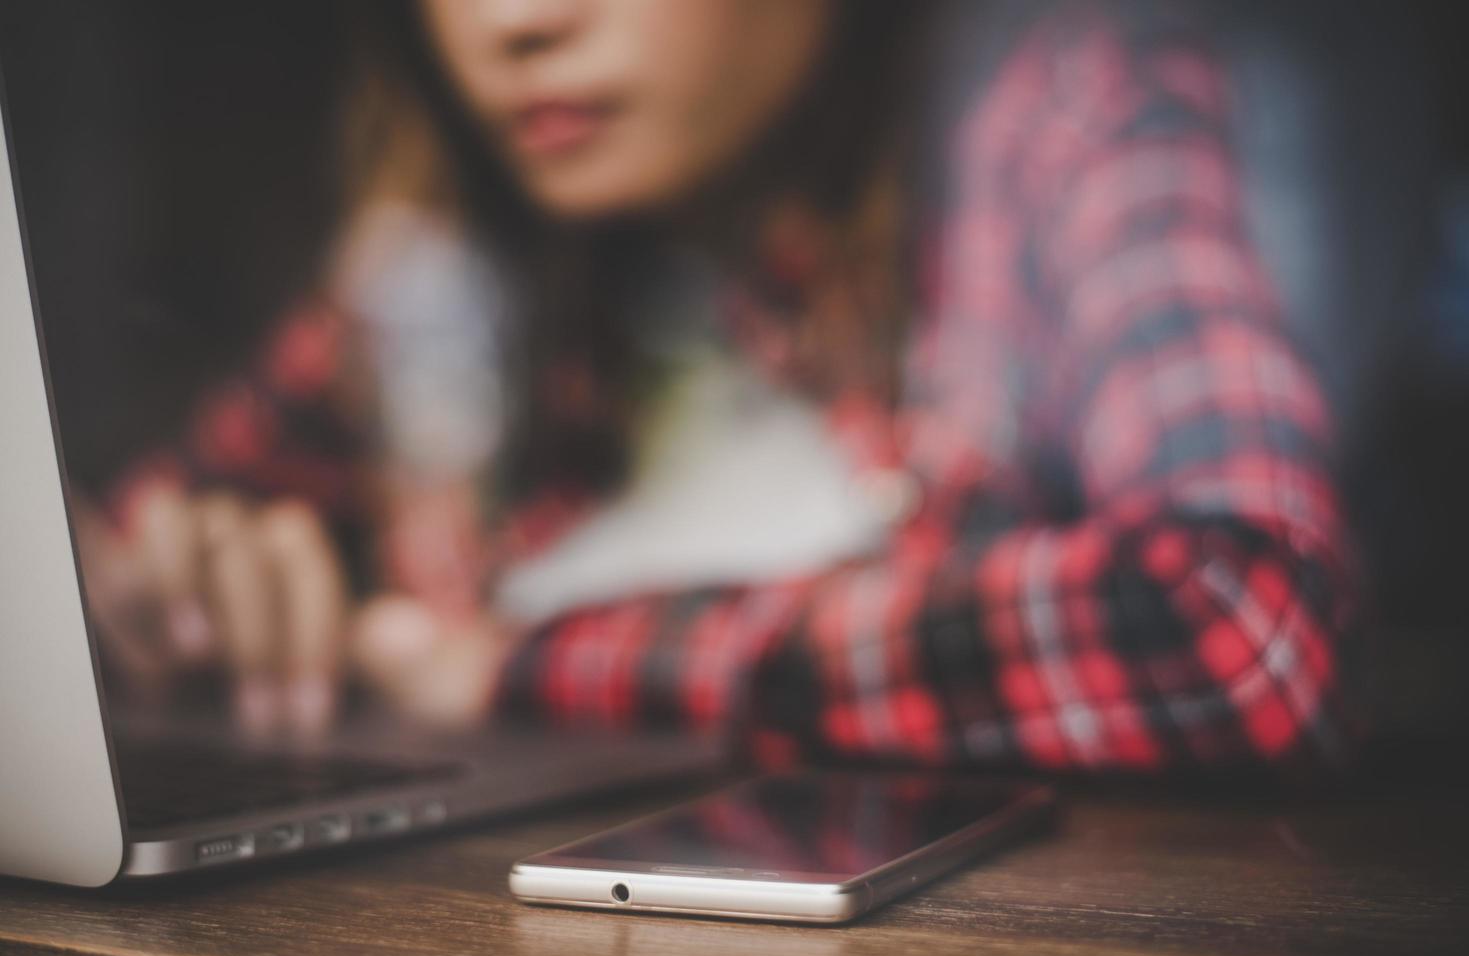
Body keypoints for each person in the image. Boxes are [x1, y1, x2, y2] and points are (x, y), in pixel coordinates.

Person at [77, 0, 1354, 770]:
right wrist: (178, 587)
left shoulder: (1051, 112)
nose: (515, 20)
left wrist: (513, 665)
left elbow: (1238, 616)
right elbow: (108, 562)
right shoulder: (433, 247)